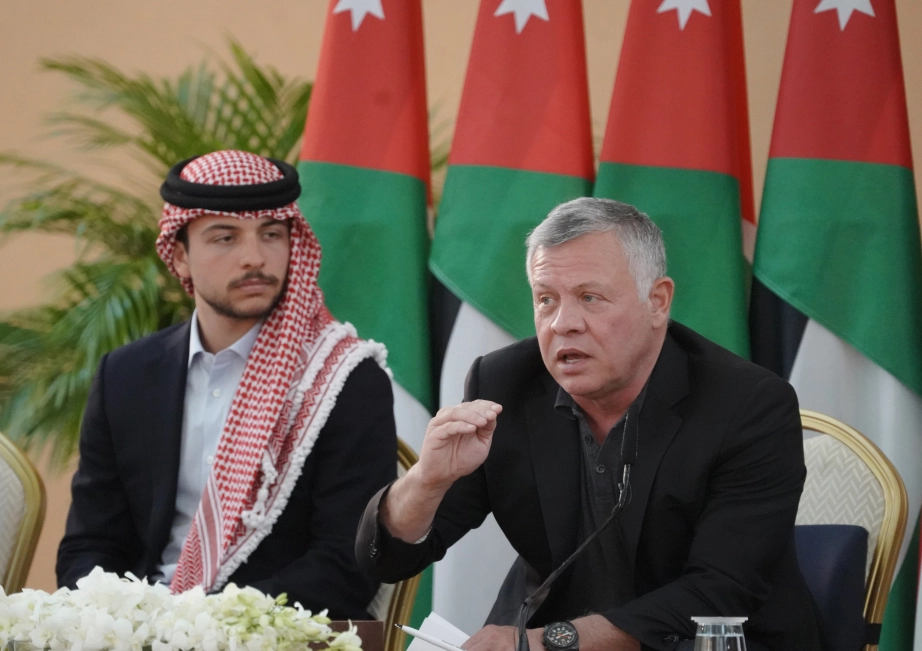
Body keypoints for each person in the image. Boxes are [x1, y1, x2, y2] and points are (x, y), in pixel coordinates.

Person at [356, 198, 820, 651]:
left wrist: (551, 641)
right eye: (546, 300)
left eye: (590, 298)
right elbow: (390, 561)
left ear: (657, 301)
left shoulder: (748, 405)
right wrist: (427, 481)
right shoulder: (503, 385)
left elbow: (719, 592)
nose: (563, 324)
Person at [57, 150, 397, 619]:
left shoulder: (342, 379)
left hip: (270, 631)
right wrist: (118, 619)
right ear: (180, 256)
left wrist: (203, 624)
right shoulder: (127, 375)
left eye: (271, 234)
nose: (254, 257)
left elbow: (346, 564)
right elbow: (90, 544)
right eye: (225, 237)